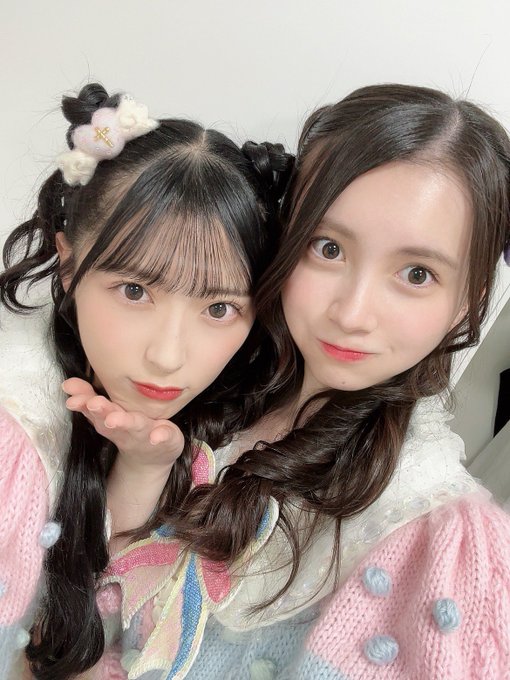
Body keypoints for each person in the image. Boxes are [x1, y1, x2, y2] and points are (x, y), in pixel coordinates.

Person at [80, 84, 510, 680]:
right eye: (328, 247)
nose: (352, 313)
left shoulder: (427, 532)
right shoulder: (203, 363)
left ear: (468, 300)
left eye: (416, 274)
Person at [0, 82, 292, 680]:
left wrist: (143, 465)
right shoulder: (14, 435)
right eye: (134, 291)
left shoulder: (232, 430)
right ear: (68, 263)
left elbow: (99, 622)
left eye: (218, 309)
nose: (167, 356)